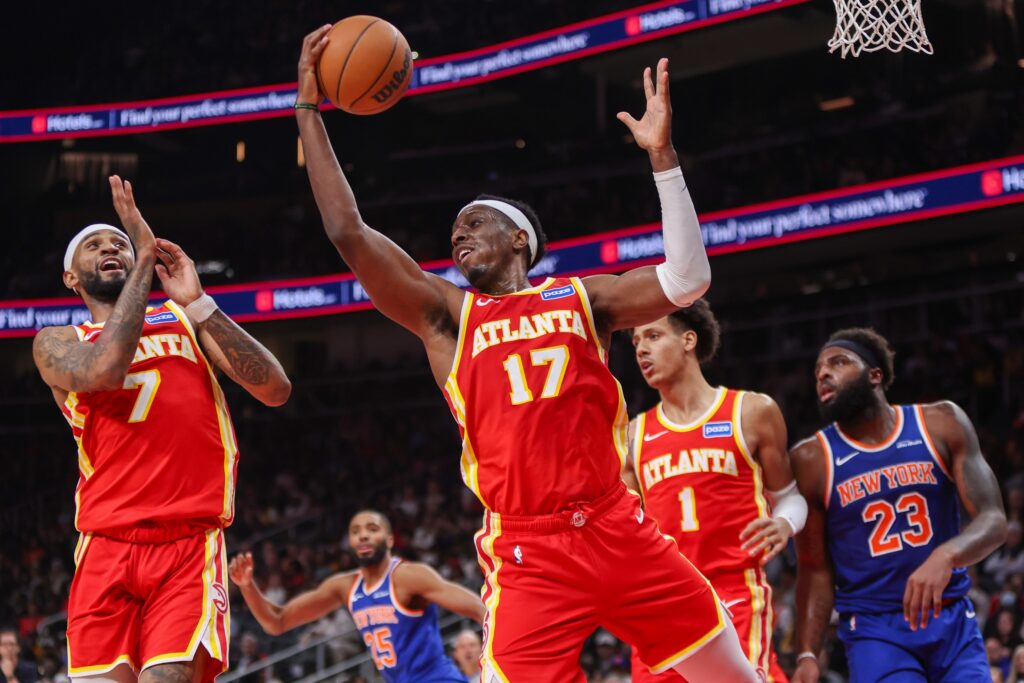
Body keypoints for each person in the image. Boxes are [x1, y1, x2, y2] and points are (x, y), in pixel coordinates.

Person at [295, 23, 760, 682]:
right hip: (527, 546)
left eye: (475, 222)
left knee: (736, 676)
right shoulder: (448, 317)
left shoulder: (581, 299)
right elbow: (347, 231)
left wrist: (663, 158)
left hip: (616, 526)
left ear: (520, 240)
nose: (459, 233)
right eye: (454, 230)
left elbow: (687, 280)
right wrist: (308, 110)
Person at [32, 177, 291, 683]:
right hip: (106, 544)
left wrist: (199, 305)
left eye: (121, 243)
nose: (112, 247)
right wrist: (144, 259)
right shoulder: (57, 341)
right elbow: (106, 369)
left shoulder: (184, 321)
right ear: (70, 277)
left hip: (186, 543)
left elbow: (275, 388)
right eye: (94, 244)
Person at [791, 328, 1008, 683]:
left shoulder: (940, 422)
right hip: (876, 630)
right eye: (817, 370)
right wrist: (807, 653)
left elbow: (994, 521)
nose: (823, 374)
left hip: (950, 616)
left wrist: (947, 555)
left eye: (838, 362)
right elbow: (814, 569)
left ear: (875, 375)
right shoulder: (811, 459)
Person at [623, 301, 803, 682]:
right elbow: (624, 529)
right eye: (636, 341)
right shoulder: (633, 435)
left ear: (689, 339)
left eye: (653, 336)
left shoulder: (751, 411)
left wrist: (785, 522)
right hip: (661, 600)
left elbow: (789, 495)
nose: (640, 349)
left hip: (731, 589)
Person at [230, 510, 483, 683]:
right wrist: (247, 585)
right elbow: (277, 621)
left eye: (372, 529)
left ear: (390, 539)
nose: (363, 535)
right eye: (355, 531)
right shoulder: (345, 586)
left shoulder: (410, 576)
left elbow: (479, 609)